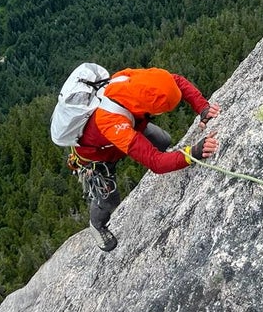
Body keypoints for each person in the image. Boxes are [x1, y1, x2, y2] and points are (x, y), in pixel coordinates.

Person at [68, 67, 220, 251]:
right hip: (99, 156)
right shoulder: (110, 121)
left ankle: (165, 154)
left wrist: (202, 107)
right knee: (109, 199)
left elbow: (176, 82)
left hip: (128, 124)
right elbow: (156, 163)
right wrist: (193, 152)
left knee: (163, 140)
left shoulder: (135, 81)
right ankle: (97, 225)